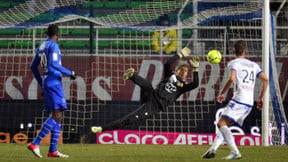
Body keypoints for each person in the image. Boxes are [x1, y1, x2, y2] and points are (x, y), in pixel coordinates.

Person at [89, 47, 199, 133]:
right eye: (181, 70)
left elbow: (195, 84)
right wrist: (180, 55)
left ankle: (101, 129)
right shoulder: (170, 75)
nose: (183, 72)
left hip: (155, 106)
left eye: (185, 71)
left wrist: (196, 70)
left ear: (186, 74)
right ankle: (131, 76)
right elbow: (168, 64)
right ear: (177, 70)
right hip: (152, 95)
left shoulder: (183, 86)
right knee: (147, 86)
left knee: (129, 119)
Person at [202, 40, 268, 160]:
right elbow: (265, 79)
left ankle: (235, 151)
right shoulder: (254, 65)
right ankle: (212, 149)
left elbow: (232, 79)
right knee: (224, 125)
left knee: (221, 123)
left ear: (233, 51)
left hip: (239, 99)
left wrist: (222, 93)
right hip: (249, 102)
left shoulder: (234, 63)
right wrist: (260, 97)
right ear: (245, 51)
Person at [28, 24, 76, 158]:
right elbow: (54, 64)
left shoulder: (42, 46)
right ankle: (35, 143)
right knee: (56, 115)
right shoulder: (54, 46)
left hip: (47, 82)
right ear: (57, 34)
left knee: (58, 116)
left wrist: (41, 82)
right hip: (54, 83)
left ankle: (53, 150)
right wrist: (70, 72)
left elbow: (33, 66)